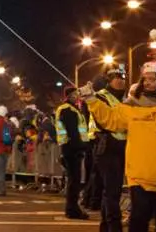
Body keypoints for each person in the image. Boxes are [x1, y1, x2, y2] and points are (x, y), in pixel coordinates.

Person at [84, 62, 156, 232]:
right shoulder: (133, 104)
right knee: (138, 221)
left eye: (152, 79)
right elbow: (111, 120)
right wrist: (91, 100)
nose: (147, 83)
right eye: (145, 79)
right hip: (139, 175)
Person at [86, 70, 128, 232]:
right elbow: (104, 121)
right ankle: (114, 227)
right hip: (107, 147)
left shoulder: (124, 98)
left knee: (111, 191)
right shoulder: (101, 96)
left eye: (122, 78)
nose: (120, 81)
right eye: (116, 78)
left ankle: (106, 226)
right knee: (112, 191)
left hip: (121, 147)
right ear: (108, 81)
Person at [54, 88, 92, 220]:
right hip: (72, 148)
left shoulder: (71, 109)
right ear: (69, 96)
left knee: (74, 180)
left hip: (70, 148)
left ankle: (72, 209)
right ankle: (72, 209)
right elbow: (73, 131)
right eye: (75, 94)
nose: (77, 96)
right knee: (74, 181)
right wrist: (82, 146)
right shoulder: (67, 109)